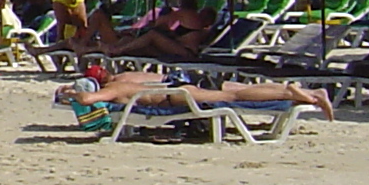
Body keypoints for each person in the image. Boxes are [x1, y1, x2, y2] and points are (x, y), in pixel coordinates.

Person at [58, 70, 332, 119]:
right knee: (234, 90)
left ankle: (299, 95)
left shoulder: (113, 89)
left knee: (234, 98)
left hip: (177, 97)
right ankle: (299, 91)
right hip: (177, 90)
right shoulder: (120, 82)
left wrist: (71, 95)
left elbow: (86, 100)